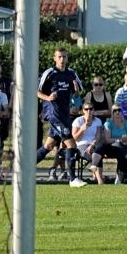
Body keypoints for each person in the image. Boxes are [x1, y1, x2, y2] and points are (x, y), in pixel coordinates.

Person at [36, 48, 86, 188]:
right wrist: (48, 97)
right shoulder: (49, 73)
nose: (62, 59)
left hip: (64, 114)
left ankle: (24, 169)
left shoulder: (71, 74)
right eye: (59, 57)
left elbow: (76, 96)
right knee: (71, 144)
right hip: (53, 114)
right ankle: (72, 179)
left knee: (48, 146)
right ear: (54, 58)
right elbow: (36, 91)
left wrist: (75, 92)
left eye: (64, 56)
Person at [93, 104, 127, 184]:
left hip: (123, 148)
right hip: (110, 148)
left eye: (119, 110)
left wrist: (122, 142)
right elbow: (108, 140)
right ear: (112, 113)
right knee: (119, 146)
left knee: (121, 151)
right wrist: (120, 140)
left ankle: (119, 179)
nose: (117, 112)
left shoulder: (126, 123)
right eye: (115, 111)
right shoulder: (108, 123)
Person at [71, 102, 104, 184]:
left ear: (93, 110)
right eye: (86, 109)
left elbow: (98, 136)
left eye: (91, 109)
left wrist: (93, 144)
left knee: (98, 151)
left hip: (94, 144)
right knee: (94, 155)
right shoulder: (78, 121)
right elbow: (74, 138)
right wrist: (83, 128)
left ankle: (98, 178)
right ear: (83, 111)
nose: (88, 111)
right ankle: (100, 180)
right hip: (81, 145)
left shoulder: (97, 121)